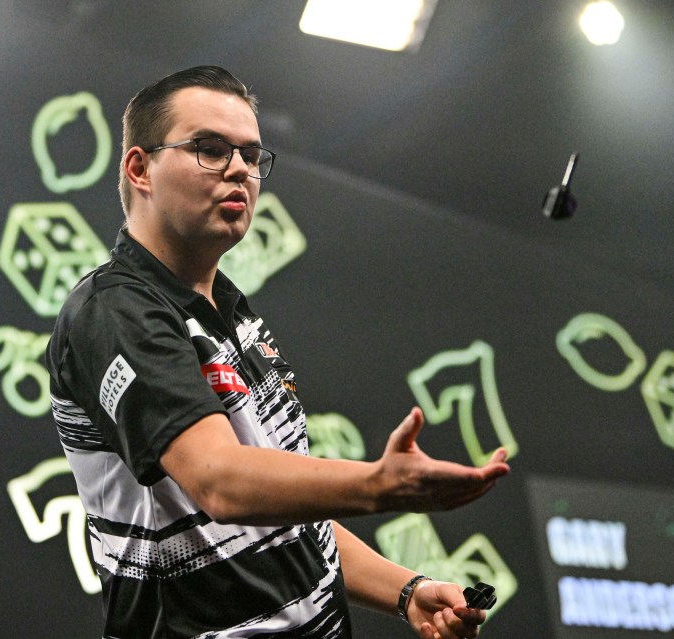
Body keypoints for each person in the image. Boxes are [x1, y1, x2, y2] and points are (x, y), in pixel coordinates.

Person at [44, 65, 510, 639]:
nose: (239, 169)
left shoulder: (230, 307)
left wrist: (406, 591)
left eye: (250, 155)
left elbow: (287, 518)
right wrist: (377, 485)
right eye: (209, 149)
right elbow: (220, 481)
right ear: (140, 168)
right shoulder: (113, 310)